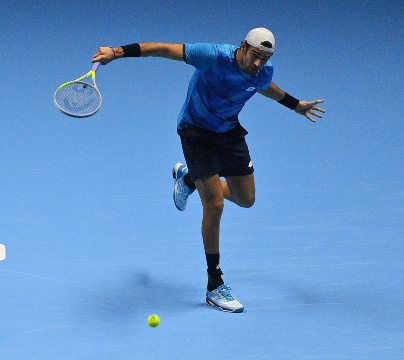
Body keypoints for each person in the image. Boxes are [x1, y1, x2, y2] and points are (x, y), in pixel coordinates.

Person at [92, 28, 325, 313]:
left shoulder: (262, 71)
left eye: (264, 59)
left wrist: (295, 105)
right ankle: (215, 284)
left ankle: (189, 179)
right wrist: (117, 52)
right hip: (196, 131)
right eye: (254, 56)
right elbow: (163, 48)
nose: (258, 64)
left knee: (246, 199)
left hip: (229, 132)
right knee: (214, 205)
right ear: (243, 46)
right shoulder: (212, 56)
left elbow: (263, 86)